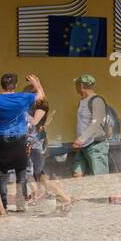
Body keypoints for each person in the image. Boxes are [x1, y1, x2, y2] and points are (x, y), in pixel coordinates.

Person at [0, 72, 46, 212]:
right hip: (20, 138)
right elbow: (41, 96)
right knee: (21, 171)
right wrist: (36, 83)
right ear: (16, 85)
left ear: (2, 85)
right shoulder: (23, 97)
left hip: (2, 139)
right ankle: (20, 204)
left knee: (2, 172)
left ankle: (3, 206)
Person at [24, 82, 72, 211]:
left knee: (37, 175)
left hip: (35, 145)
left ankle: (62, 196)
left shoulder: (40, 108)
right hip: (35, 144)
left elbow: (34, 122)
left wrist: (21, 112)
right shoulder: (34, 108)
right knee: (38, 174)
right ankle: (43, 194)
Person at [70, 74, 111, 176]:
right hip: (83, 146)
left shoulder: (97, 100)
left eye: (77, 85)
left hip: (95, 146)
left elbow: (96, 123)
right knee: (77, 174)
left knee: (100, 177)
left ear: (81, 86)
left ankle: (103, 192)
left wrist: (81, 139)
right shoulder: (82, 101)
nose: (75, 87)